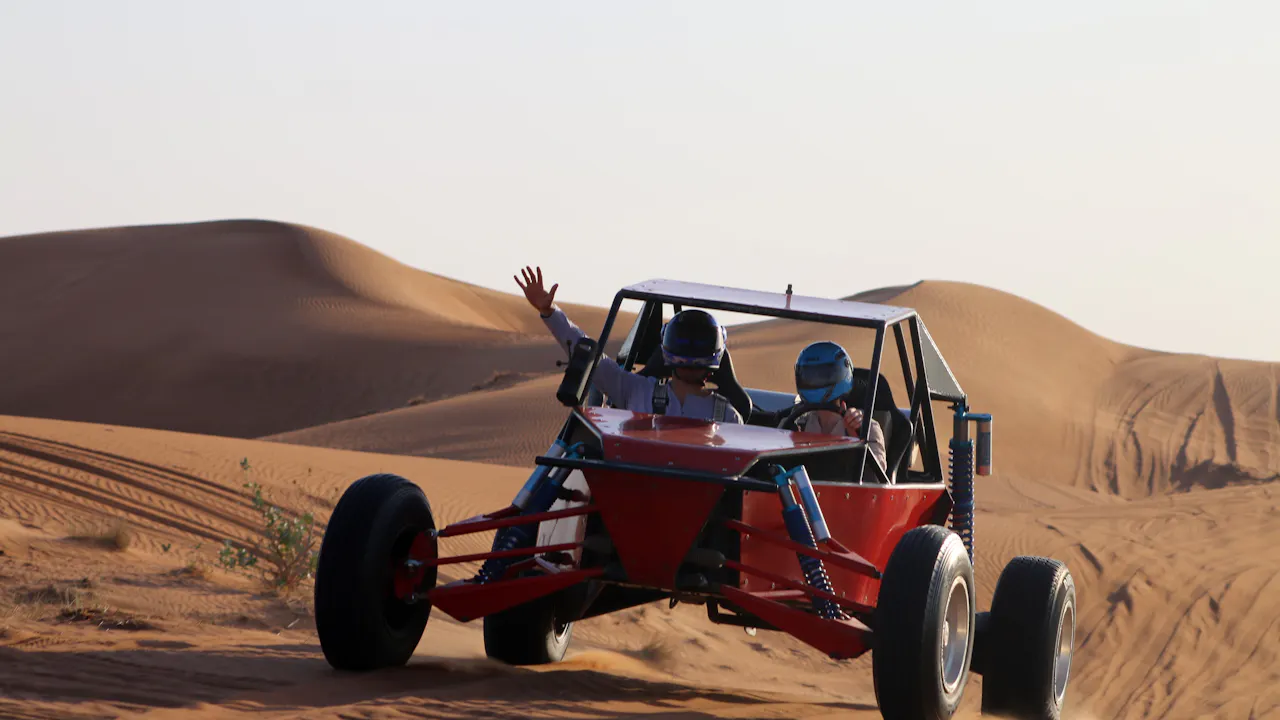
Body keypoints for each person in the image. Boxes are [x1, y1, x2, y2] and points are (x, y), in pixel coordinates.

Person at [515, 266, 742, 424]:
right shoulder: (728, 416)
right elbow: (591, 355)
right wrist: (550, 312)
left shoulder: (636, 391)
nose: (690, 350)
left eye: (696, 344)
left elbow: (590, 355)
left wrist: (550, 312)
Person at [792, 341, 887, 474]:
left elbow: (876, 478)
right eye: (810, 376)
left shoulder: (867, 428)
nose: (814, 381)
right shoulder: (797, 423)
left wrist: (856, 439)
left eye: (823, 375)